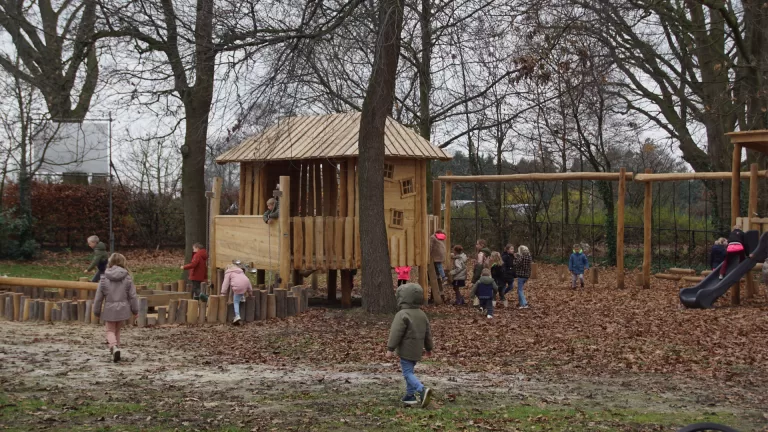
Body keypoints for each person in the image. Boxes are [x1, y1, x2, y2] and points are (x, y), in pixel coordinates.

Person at [386, 283, 434, 408]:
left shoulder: (402, 314)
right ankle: (410, 395)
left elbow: (396, 332)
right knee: (410, 371)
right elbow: (428, 333)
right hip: (417, 349)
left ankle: (421, 389)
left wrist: (390, 348)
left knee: (407, 373)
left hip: (406, 349)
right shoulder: (422, 314)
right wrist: (429, 348)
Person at [93, 253, 138, 363]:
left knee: (109, 330)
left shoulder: (103, 279)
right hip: (123, 308)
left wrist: (96, 311)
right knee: (117, 330)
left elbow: (98, 298)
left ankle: (113, 346)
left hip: (110, 308)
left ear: (110, 262)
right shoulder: (127, 278)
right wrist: (135, 310)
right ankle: (116, 348)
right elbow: (132, 296)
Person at [430, 229, 447, 300]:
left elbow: (430, 246)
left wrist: (429, 254)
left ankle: (442, 276)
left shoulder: (433, 237)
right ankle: (442, 276)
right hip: (441, 255)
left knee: (438, 267)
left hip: (436, 255)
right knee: (439, 266)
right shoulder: (441, 237)